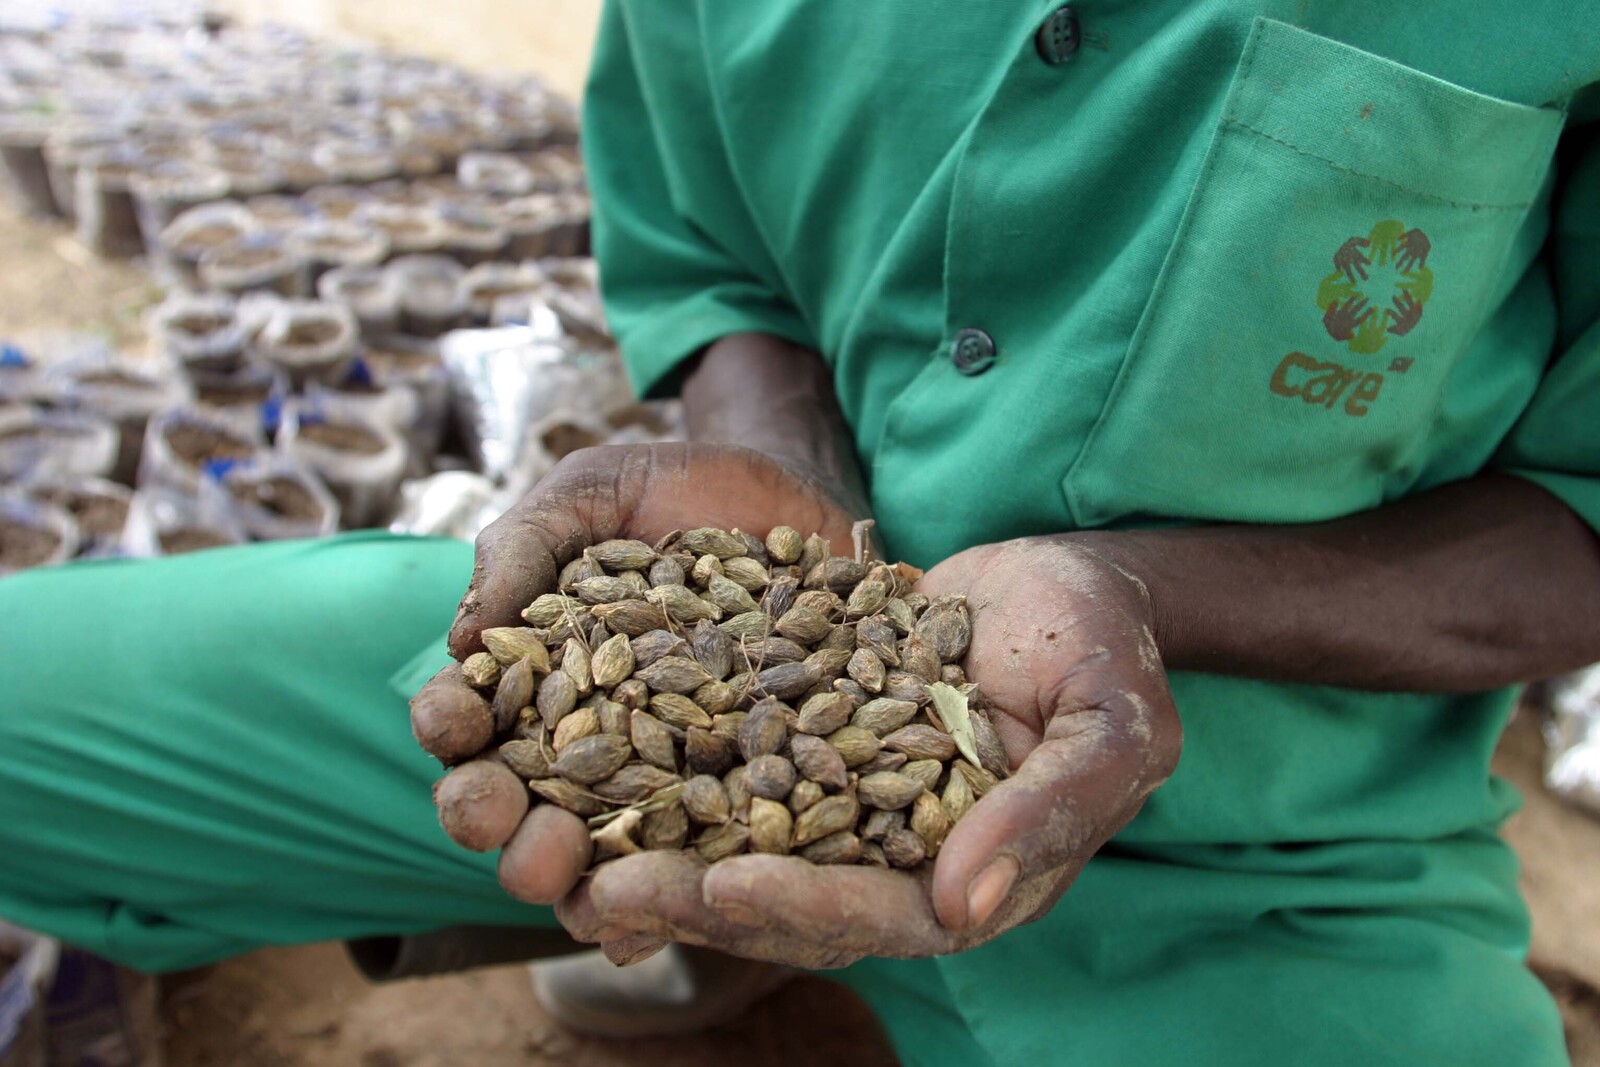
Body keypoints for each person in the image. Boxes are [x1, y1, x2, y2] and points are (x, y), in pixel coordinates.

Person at [4, 3, 1600, 1064]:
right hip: (761, 643)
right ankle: (742, 929)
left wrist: (1130, 591)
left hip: (1276, 852)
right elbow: (711, 252)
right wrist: (771, 465)